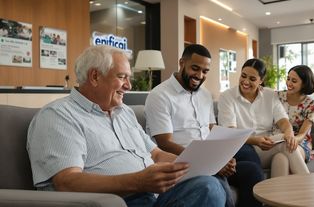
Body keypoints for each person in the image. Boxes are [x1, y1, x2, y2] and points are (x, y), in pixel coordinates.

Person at [27, 45, 226, 207]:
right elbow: (67, 182)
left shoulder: (124, 113)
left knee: (211, 181)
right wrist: (138, 181)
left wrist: (198, 164)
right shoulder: (59, 115)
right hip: (117, 201)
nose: (129, 86)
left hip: (152, 195)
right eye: (122, 77)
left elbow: (156, 154)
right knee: (208, 188)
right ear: (95, 76)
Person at [145, 44, 264, 207]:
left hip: (208, 159)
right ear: (182, 63)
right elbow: (164, 143)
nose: (199, 75)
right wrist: (210, 162)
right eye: (195, 68)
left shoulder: (205, 94)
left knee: (252, 171)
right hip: (181, 163)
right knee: (214, 180)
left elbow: (211, 130)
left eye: (205, 71)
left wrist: (223, 157)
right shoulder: (160, 95)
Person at [218, 58, 310, 178]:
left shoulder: (270, 95)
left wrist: (289, 133)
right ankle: (309, 187)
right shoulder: (227, 97)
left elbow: (283, 121)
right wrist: (255, 140)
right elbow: (231, 133)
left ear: (261, 80)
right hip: (242, 149)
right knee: (285, 143)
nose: (245, 81)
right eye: (243, 76)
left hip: (267, 147)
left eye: (252, 79)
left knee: (281, 158)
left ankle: (277, 197)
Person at [271, 65, 314, 175]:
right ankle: (308, 189)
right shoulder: (277, 96)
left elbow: (303, 134)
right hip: (276, 140)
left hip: (299, 142)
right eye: (288, 79)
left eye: (294, 81)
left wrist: (293, 139)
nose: (289, 83)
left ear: (304, 83)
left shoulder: (310, 104)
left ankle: (276, 192)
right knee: (281, 156)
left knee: (283, 154)